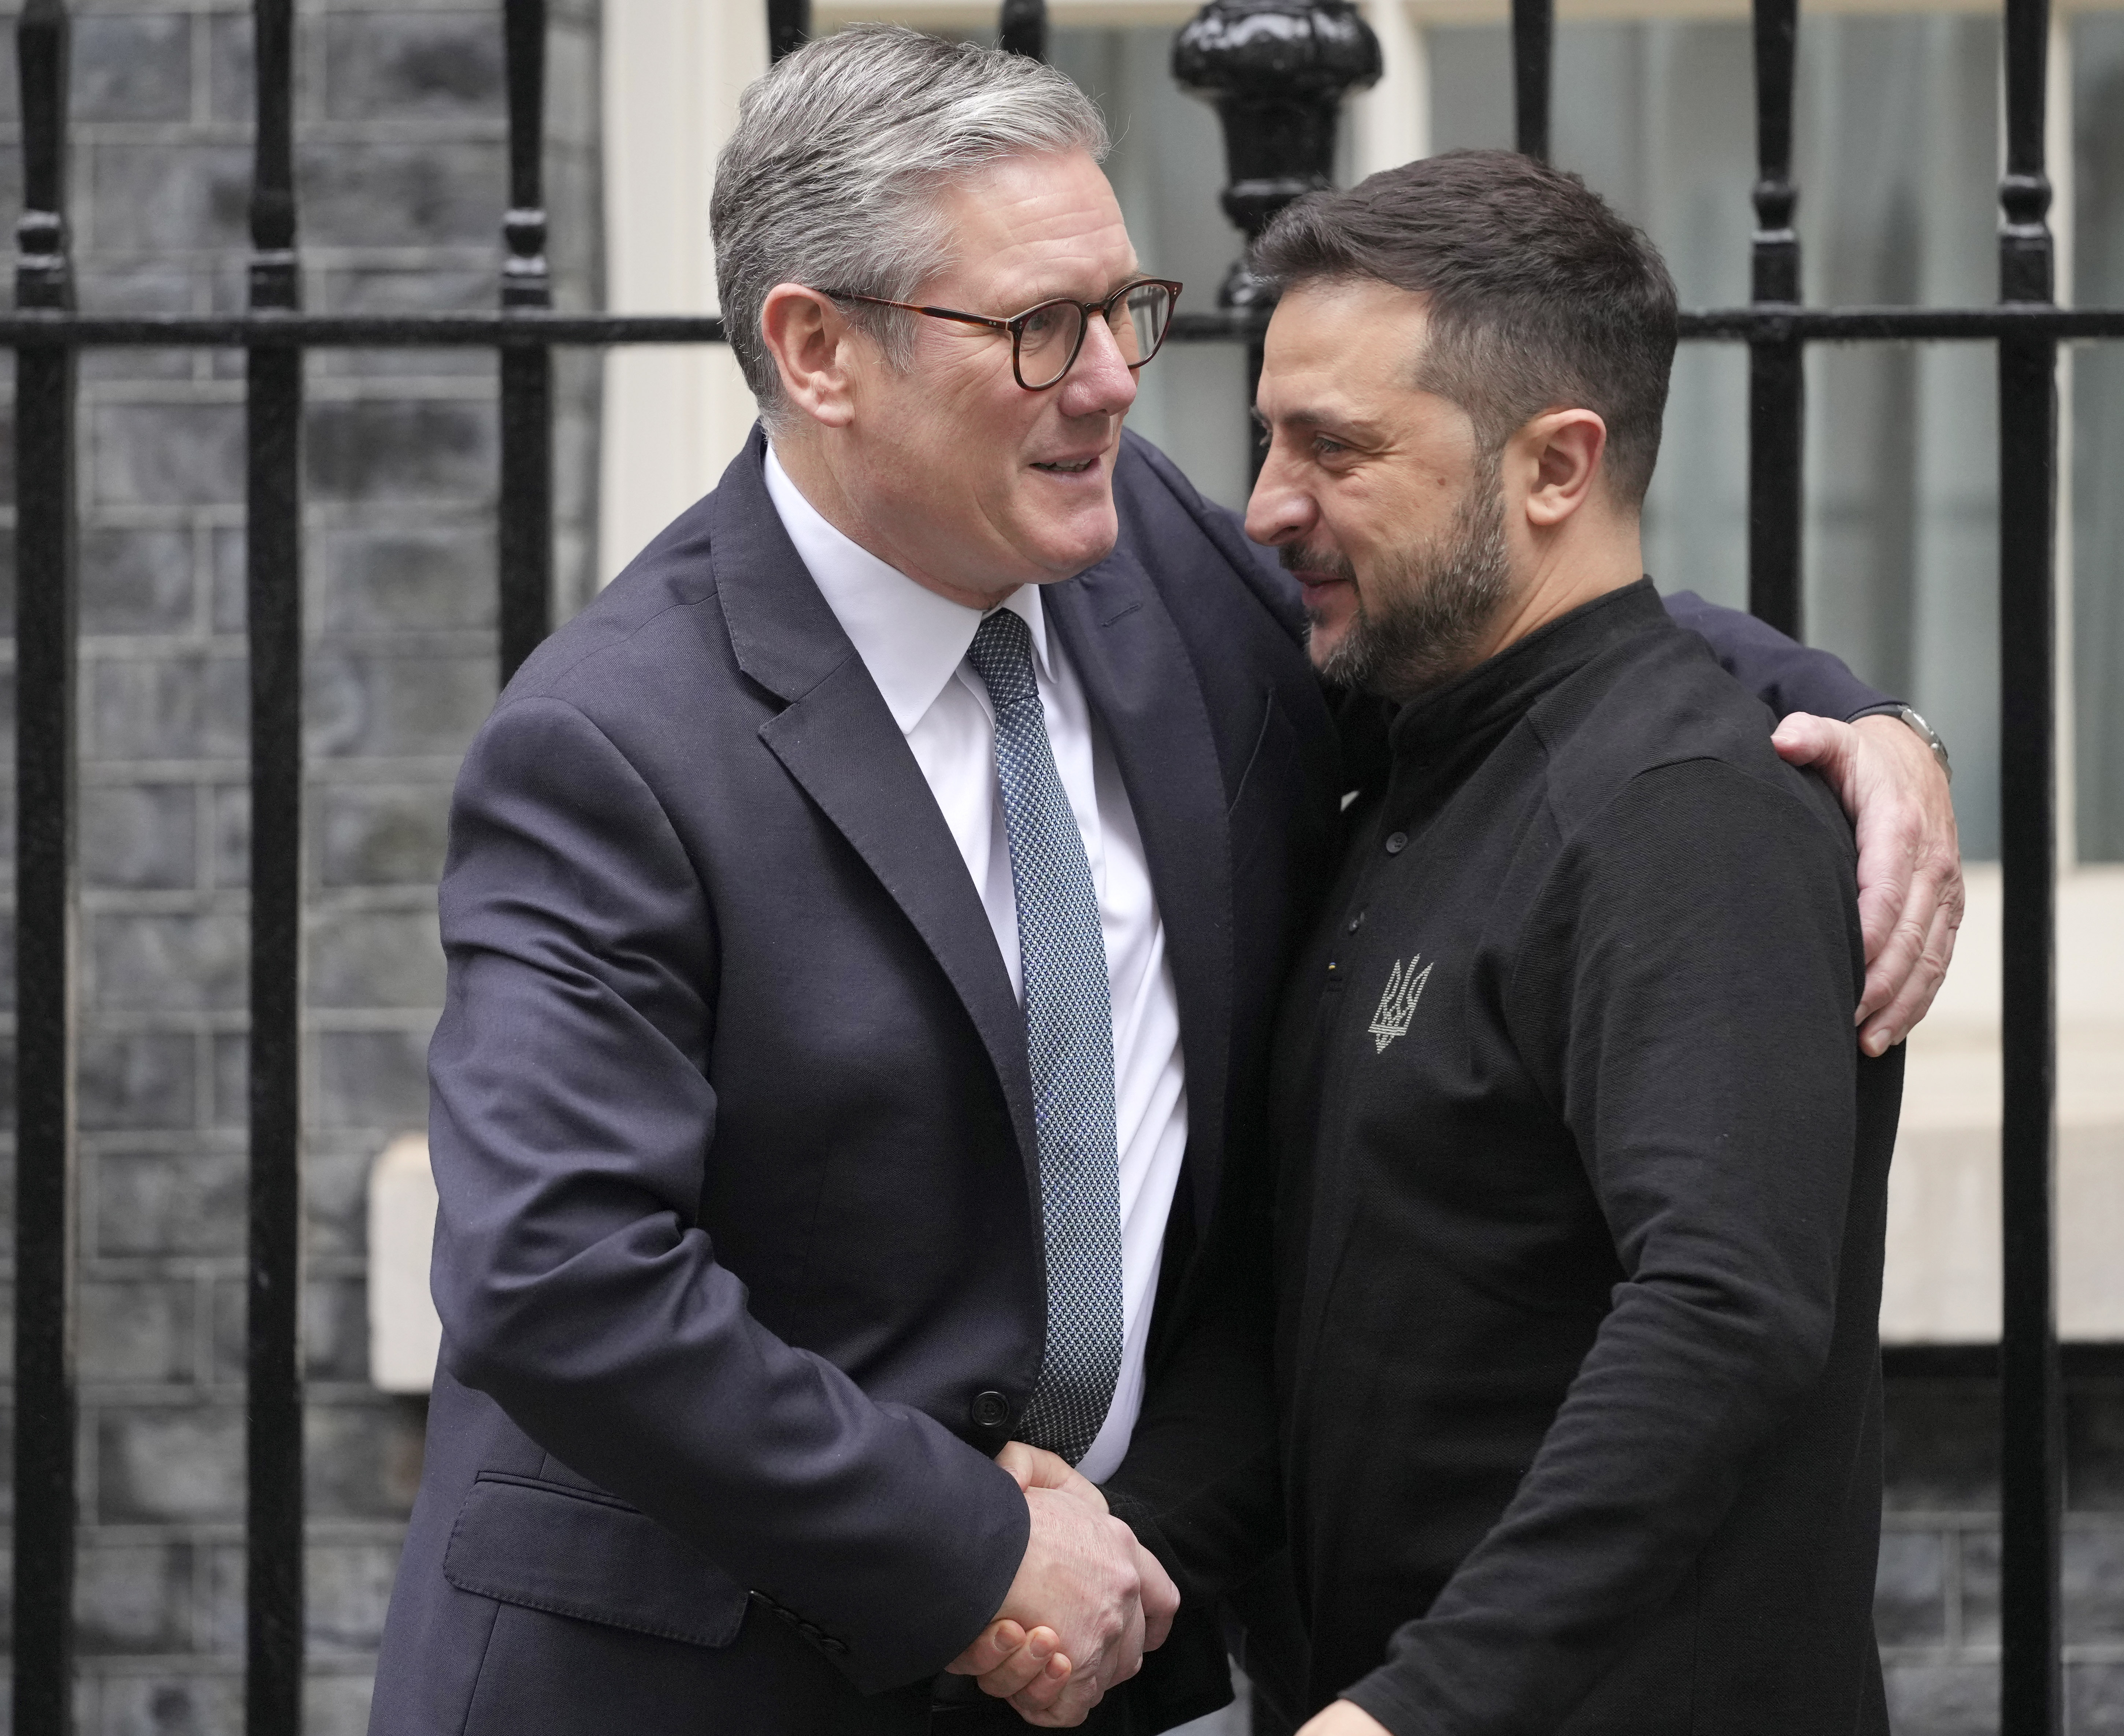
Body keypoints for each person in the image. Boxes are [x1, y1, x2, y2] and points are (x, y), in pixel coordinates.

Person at [369, 28, 1952, 1736]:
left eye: (1123, 309)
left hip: (1110, 1651)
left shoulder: (1161, 579)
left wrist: (1849, 710)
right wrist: (975, 1551)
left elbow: (1517, 612)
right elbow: (556, 1272)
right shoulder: (612, 744)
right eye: (1037, 326)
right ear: (817, 351)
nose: (1116, 382)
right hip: (701, 1678)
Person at [991, 152, 1895, 1736]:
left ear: (1555, 466)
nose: (1266, 506)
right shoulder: (1403, 780)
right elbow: (1330, 1323)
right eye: (1269, 437)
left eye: (1335, 450)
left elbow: (1723, 1310)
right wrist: (1077, 1565)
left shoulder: (1685, 816)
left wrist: (1420, 1709)